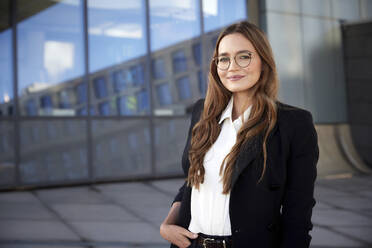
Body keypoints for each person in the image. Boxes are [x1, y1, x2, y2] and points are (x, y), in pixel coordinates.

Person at [160, 21, 319, 248]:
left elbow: (298, 213)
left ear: (263, 62)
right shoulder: (202, 113)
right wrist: (168, 224)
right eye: (223, 59)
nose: (232, 66)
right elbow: (192, 181)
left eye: (244, 56)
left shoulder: (293, 123)